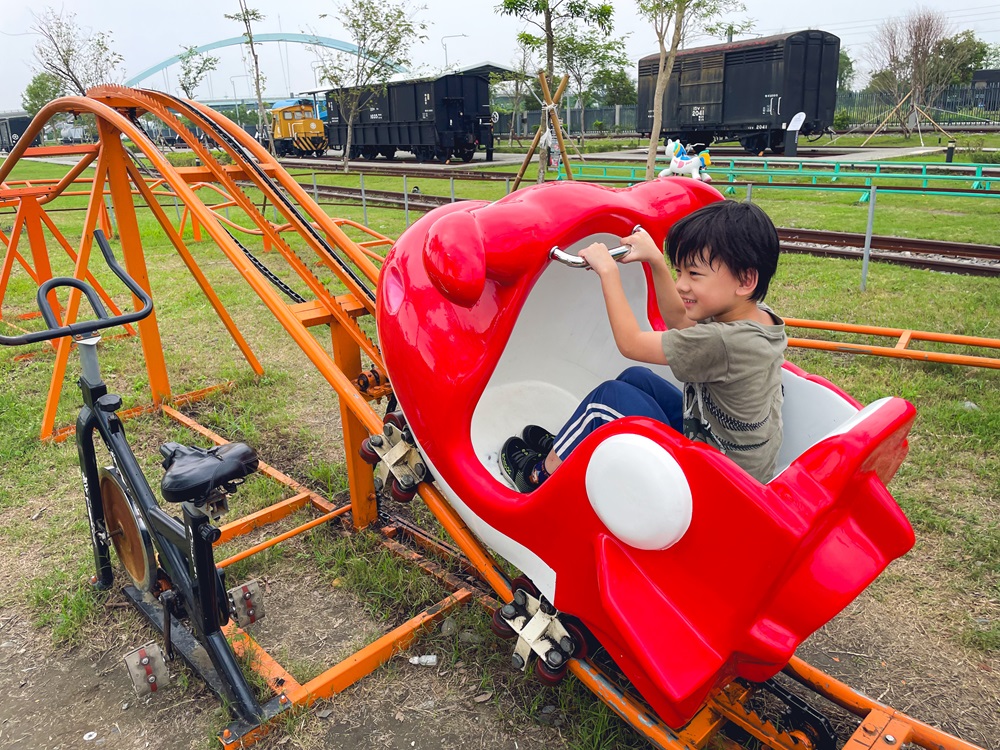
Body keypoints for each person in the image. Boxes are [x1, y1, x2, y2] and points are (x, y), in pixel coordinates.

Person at [500, 199, 786, 492]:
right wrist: (656, 261)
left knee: (605, 400)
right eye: (680, 272)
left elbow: (630, 343)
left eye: (694, 274)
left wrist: (608, 272)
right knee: (635, 379)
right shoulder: (751, 314)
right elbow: (679, 319)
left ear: (745, 279)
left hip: (715, 484)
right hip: (726, 459)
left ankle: (539, 476)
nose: (681, 285)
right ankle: (569, 447)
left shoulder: (724, 342)